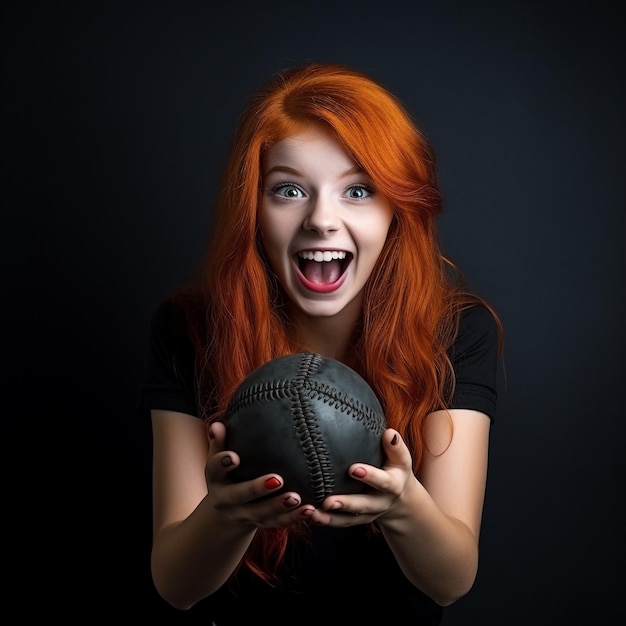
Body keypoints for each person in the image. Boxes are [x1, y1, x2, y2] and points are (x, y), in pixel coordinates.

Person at [137, 61, 504, 625]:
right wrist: (228, 514)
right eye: (288, 190)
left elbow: (452, 581)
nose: (321, 220)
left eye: (358, 190)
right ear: (253, 210)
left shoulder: (454, 333)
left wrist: (403, 504)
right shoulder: (191, 330)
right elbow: (176, 586)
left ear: (396, 210)